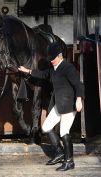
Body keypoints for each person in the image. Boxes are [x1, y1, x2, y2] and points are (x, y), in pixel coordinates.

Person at [18, 42, 84, 171]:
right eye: (50, 59)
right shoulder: (53, 69)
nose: (51, 61)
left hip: (69, 105)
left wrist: (79, 100)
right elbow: (42, 74)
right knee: (46, 127)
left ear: (60, 56)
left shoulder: (68, 68)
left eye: (53, 58)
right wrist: (27, 71)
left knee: (64, 132)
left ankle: (69, 161)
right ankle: (59, 153)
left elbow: (79, 85)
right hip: (58, 104)